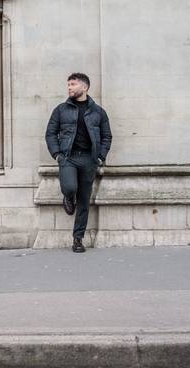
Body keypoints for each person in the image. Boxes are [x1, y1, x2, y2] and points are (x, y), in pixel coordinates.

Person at [44, 73, 112, 253]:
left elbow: (107, 136)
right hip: (68, 157)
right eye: (68, 85)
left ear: (85, 87)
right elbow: (50, 133)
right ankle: (67, 196)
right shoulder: (61, 110)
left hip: (89, 159)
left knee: (84, 201)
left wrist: (100, 157)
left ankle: (78, 239)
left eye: (73, 84)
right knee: (70, 187)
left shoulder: (98, 112)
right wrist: (57, 154)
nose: (69, 88)